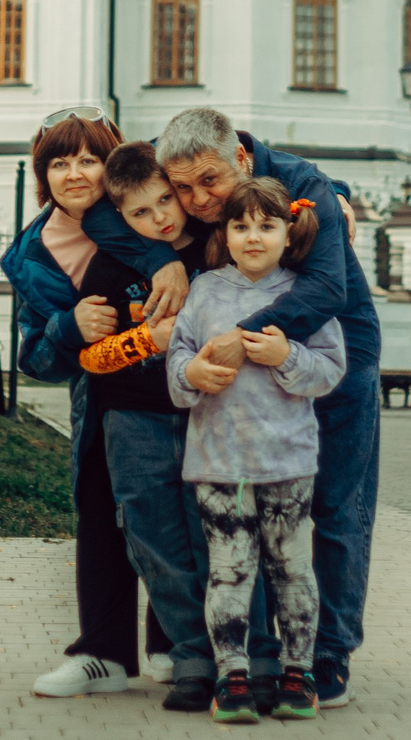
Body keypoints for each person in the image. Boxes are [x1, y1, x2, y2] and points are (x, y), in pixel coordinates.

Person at [83, 105, 380, 709]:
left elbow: (326, 290)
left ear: (241, 159)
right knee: (258, 520)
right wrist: (158, 259)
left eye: (208, 182)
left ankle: (330, 656)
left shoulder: (304, 190)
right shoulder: (190, 186)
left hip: (335, 351)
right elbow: (102, 212)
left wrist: (236, 339)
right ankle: (260, 661)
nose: (195, 200)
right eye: (182, 188)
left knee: (336, 506)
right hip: (255, 380)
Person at [0, 108, 189, 699]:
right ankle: (103, 655)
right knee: (106, 520)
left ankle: (174, 645)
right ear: (42, 177)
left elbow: (240, 172)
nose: (75, 173)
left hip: (192, 392)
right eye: (58, 163)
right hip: (108, 403)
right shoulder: (33, 254)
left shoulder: (148, 208)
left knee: (181, 519)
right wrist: (68, 326)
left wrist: (330, 194)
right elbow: (34, 357)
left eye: (88, 159)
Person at [168, 178, 347, 723]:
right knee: (229, 571)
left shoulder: (302, 296)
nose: (252, 237)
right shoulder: (203, 292)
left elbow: (330, 371)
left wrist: (285, 354)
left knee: (292, 567)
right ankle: (233, 677)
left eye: (266, 226)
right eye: (240, 225)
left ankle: (298, 673)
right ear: (223, 232)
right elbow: (177, 367)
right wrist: (193, 373)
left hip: (286, 461)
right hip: (218, 463)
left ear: (288, 232)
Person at [74, 141, 218, 711]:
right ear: (120, 217)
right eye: (140, 212)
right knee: (156, 544)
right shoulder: (109, 266)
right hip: (133, 423)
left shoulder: (214, 255)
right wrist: (145, 340)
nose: (160, 217)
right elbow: (93, 358)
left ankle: (228, 656)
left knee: (213, 542)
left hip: (205, 417)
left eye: (165, 201)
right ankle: (190, 662)